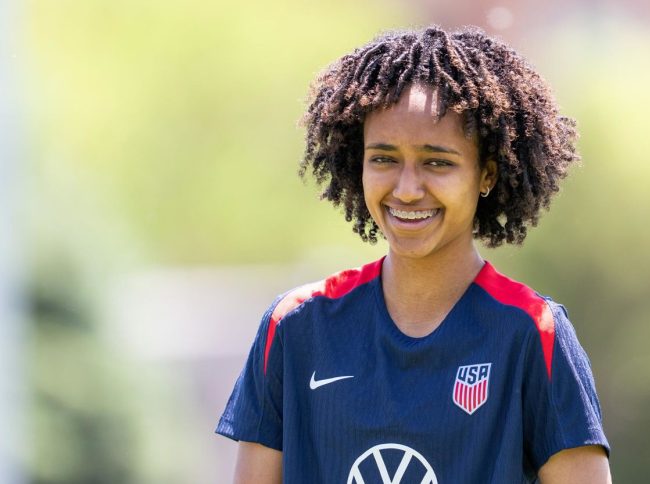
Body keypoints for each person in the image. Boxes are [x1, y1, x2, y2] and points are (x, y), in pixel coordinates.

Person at [216, 26, 611, 483]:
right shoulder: (295, 328)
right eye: (383, 159)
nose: (406, 189)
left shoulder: (532, 334)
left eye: (437, 162)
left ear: (486, 174)